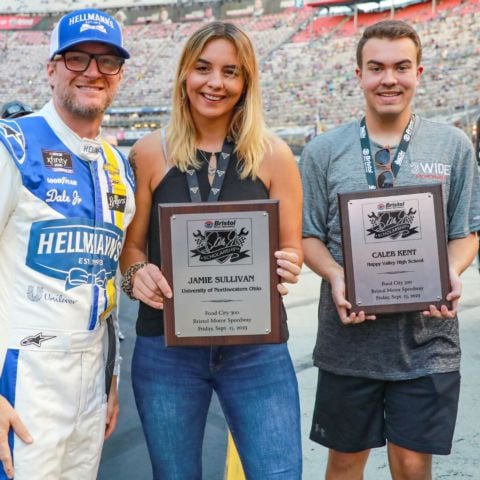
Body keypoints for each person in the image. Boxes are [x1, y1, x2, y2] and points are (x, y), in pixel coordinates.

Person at [120, 21, 303, 480]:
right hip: (167, 346)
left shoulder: (275, 155)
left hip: (254, 348)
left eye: (230, 72)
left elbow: (291, 249)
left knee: (278, 474)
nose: (215, 83)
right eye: (203, 68)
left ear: (246, 84)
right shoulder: (148, 153)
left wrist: (288, 263)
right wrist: (136, 273)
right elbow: (131, 249)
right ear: (185, 74)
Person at [300, 20, 480, 480]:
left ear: (418, 72)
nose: (389, 79)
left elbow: (468, 232)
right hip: (349, 341)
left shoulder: (454, 145)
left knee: (413, 465)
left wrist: (450, 272)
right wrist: (338, 276)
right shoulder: (324, 151)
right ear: (358, 74)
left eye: (401, 67)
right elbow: (308, 236)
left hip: (428, 339)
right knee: (343, 465)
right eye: (376, 68)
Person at [0, 8, 135, 480]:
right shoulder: (11, 145)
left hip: (91, 376)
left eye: (107, 62)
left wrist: (110, 379)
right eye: (77, 58)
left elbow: (110, 281)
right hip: (22, 370)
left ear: (119, 77)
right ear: (52, 69)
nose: (93, 72)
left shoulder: (119, 166)